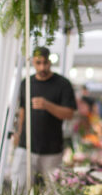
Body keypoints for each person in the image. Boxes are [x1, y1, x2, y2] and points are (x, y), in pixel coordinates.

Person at [12, 46, 76, 187]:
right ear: (32, 62)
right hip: (26, 146)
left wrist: (47, 105)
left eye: (45, 63)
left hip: (52, 149)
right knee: (18, 187)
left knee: (54, 191)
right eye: (38, 63)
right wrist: (18, 132)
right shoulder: (26, 83)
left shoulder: (63, 84)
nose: (42, 67)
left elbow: (69, 113)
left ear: (50, 62)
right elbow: (22, 111)